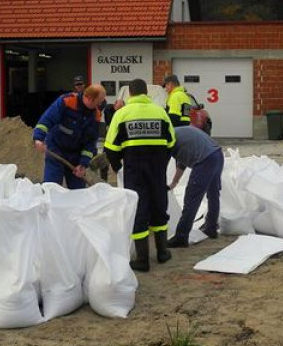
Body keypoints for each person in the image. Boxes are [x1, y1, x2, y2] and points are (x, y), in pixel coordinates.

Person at [104, 78, 176, 272]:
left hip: (134, 169)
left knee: (138, 209)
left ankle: (142, 259)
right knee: (159, 206)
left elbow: (110, 147)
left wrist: (117, 165)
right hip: (157, 168)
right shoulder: (160, 112)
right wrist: (162, 161)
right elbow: (171, 143)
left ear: (130, 94)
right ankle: (162, 253)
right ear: (147, 93)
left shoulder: (122, 114)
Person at [33, 84, 106, 189]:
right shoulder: (67, 101)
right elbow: (46, 120)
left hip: (76, 157)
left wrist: (83, 164)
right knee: (51, 188)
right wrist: (39, 138)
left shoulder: (96, 115)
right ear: (90, 98)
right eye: (99, 101)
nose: (100, 104)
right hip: (56, 150)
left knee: (78, 193)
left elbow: (90, 142)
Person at [166, 126, 224, 247]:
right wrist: (174, 182)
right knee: (213, 194)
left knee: (191, 198)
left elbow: (163, 163)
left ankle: (181, 237)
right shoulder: (179, 133)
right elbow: (182, 163)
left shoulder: (168, 138)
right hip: (217, 154)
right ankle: (211, 228)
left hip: (205, 159)